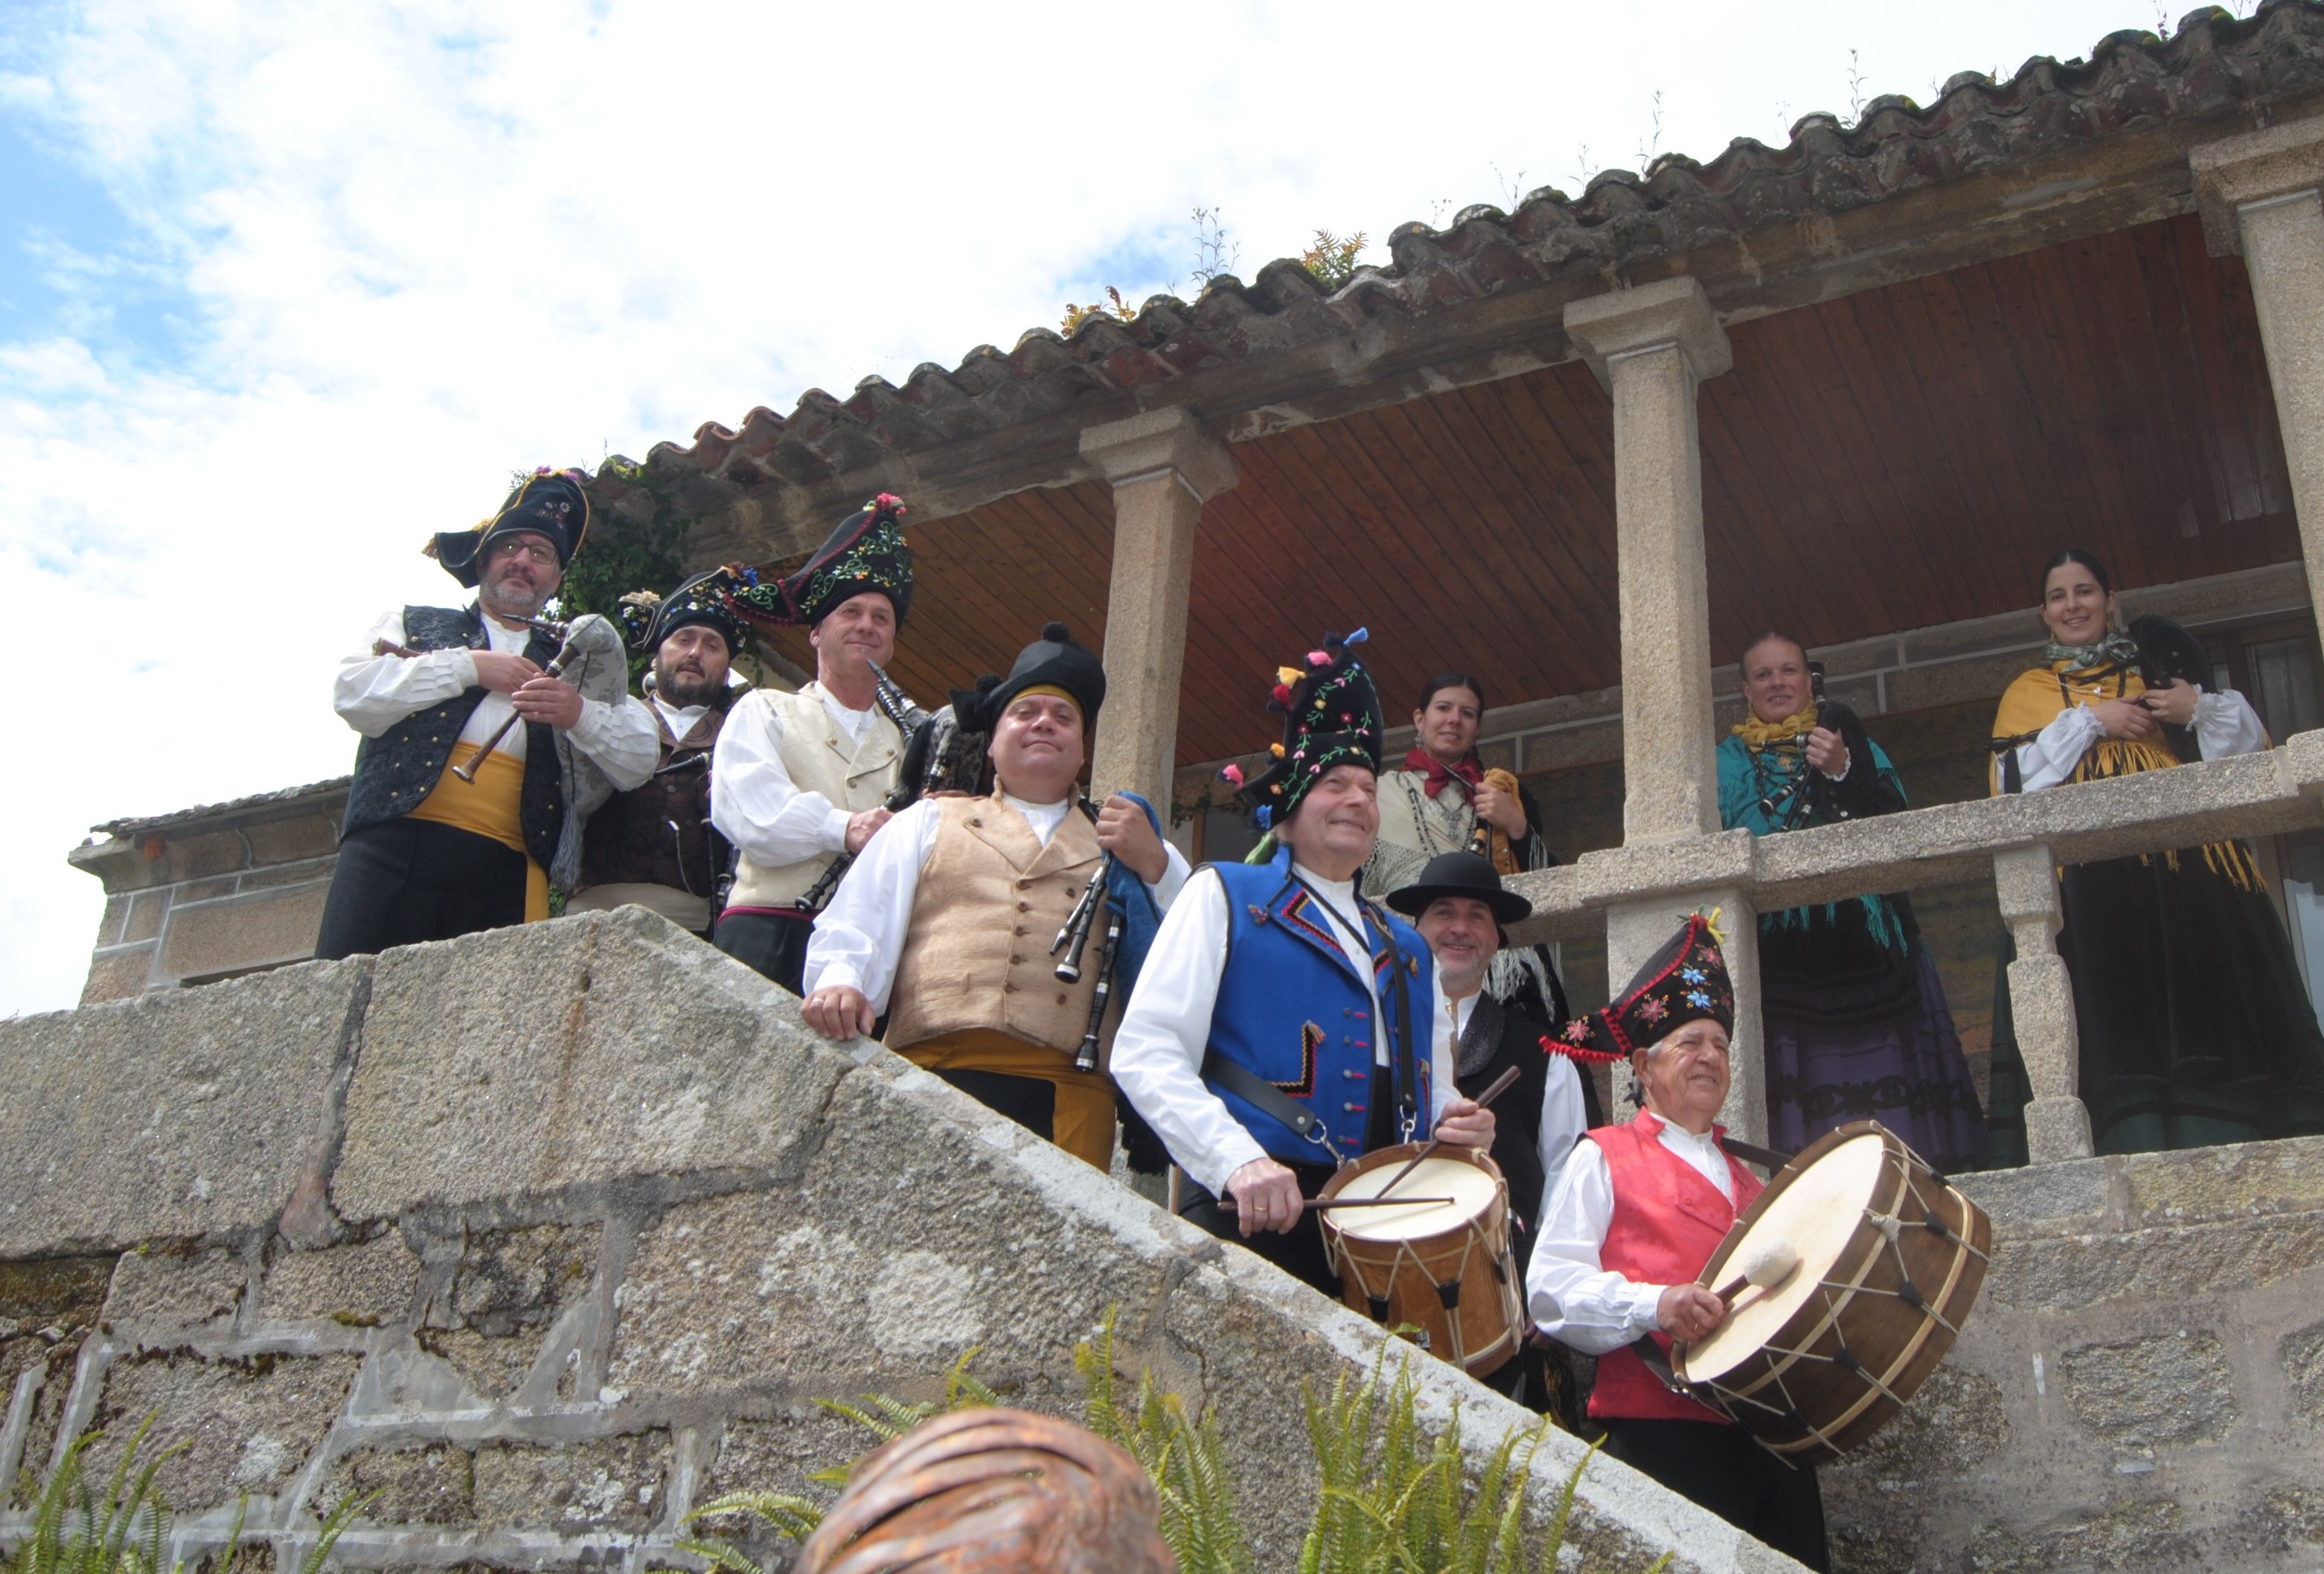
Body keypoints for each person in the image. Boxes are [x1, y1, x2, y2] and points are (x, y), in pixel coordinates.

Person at [1111, 629, 1496, 1296]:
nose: (1357, 798)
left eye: (1368, 788)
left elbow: (1428, 1095)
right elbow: (1144, 1051)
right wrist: (1235, 1161)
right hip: (1252, 1214)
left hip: (1380, 1231)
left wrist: (1459, 1118)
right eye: (1334, 784)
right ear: (1287, 810)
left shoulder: (1408, 947)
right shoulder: (1224, 892)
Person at [799, 623, 1189, 1171]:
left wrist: (1155, 863)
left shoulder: (1132, 845)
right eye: (1025, 713)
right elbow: (859, 919)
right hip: (928, 1071)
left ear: (1082, 749)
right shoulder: (929, 819)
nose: (1044, 725)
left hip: (1070, 1090)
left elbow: (1196, 949)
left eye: (1063, 717)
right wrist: (841, 979)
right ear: (995, 736)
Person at [1985, 548, 2324, 1162]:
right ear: (2043, 613)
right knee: (2115, 1020)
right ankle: (2130, 1140)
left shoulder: (2154, 668)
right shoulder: (2027, 693)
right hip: (2089, 888)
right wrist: (2092, 720)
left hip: (2184, 876)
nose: (2073, 605)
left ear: (2109, 601)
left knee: (2202, 1006)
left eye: (2085, 591)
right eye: (2059, 596)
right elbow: (2009, 780)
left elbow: (2246, 753)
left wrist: (2193, 709)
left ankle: (2232, 1136)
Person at [1528, 915, 1828, 1571]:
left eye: (1719, 1044)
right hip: (1660, 1437)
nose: (1709, 1056)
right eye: (1688, 1040)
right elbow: (1549, 1291)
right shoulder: (1601, 1156)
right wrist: (1656, 1305)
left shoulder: (1756, 1182)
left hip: (1772, 1443)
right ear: (1642, 1063)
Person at [316, 469, 656, 960]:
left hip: (511, 868)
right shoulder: (415, 623)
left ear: (556, 579)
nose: (522, 561)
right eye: (510, 547)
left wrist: (577, 712)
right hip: (391, 850)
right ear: (483, 560)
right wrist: (468, 667)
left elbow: (640, 759)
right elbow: (352, 694)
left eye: (540, 554)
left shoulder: (578, 658)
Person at [1718, 633, 1985, 1170]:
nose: (1777, 683)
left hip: (1868, 945)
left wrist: (1841, 768)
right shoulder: (1722, 760)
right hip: (1777, 953)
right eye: (1764, 674)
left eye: (1788, 671)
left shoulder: (1847, 739)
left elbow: (1895, 825)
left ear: (1808, 680)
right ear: (1746, 689)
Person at [1388, 849, 1608, 1418]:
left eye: (1476, 916)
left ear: (1494, 940)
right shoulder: (1372, 1038)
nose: (1459, 927)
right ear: (1415, 930)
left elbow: (1569, 1183)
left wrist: (1551, 1285)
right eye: (1443, 912)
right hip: (1388, 1286)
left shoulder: (1545, 1054)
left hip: (1512, 1308)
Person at [710, 493, 918, 994]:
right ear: (816, 632)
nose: (867, 624)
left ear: (890, 641)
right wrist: (842, 827)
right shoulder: (764, 709)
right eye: (850, 611)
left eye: (881, 617)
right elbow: (752, 815)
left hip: (866, 957)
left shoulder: (914, 744)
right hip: (765, 931)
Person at [1368, 672, 1568, 1028]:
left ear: (1477, 728)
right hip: (1407, 964)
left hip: (1501, 972)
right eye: (1443, 708)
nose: (1454, 720)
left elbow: (1549, 879)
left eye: (1468, 713)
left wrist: (1517, 825)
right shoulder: (1377, 793)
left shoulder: (1504, 790)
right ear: (1420, 718)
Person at [566, 569, 752, 937]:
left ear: (728, 669)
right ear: (657, 656)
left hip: (696, 926)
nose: (695, 653)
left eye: (713, 646)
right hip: (590, 915)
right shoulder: (612, 719)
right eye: (683, 639)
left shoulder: (743, 735)